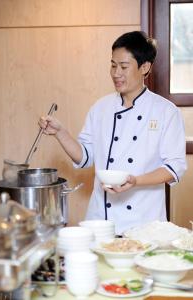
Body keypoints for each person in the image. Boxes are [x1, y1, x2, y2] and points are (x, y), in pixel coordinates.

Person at [39, 31, 187, 235]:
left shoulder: (166, 111)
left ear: (145, 68)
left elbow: (174, 167)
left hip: (144, 224)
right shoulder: (101, 108)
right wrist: (60, 132)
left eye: (124, 67)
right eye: (113, 65)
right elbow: (85, 157)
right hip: (100, 222)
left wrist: (135, 180)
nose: (116, 73)